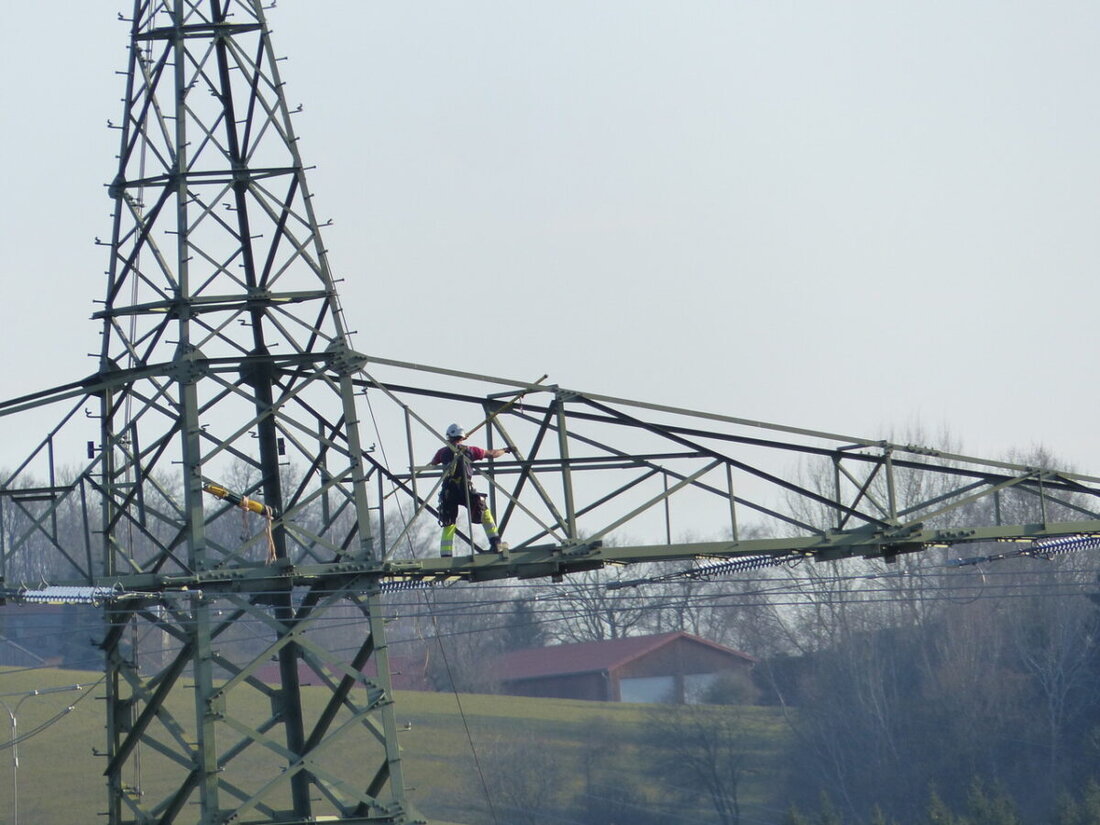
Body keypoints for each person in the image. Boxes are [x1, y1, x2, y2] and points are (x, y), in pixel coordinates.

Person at [429, 423, 513, 557]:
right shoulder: (470, 450)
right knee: (484, 512)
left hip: (449, 491)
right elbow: (492, 454)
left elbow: (432, 464)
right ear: (462, 437)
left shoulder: (442, 452)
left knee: (448, 522)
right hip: (465, 489)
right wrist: (505, 450)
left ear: (448, 437)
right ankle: (496, 543)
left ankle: (446, 555)